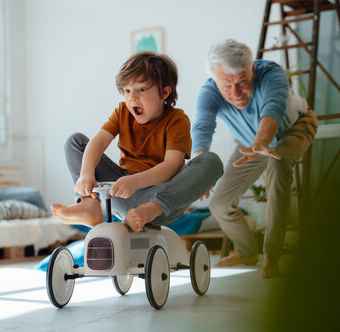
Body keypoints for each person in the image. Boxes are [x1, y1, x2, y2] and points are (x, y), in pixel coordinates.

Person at [52, 51, 223, 232]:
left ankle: (148, 212)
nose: (132, 98)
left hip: (160, 200)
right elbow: (99, 142)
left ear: (165, 92)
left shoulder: (177, 119)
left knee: (211, 161)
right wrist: (86, 174)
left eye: (141, 89)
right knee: (75, 142)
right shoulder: (122, 112)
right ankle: (88, 206)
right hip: (121, 192)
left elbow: (171, 166)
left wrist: (135, 182)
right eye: (126, 91)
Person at [191, 39, 318, 278]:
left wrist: (262, 141)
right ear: (215, 80)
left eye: (242, 81)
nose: (236, 93)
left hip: (293, 127)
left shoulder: (271, 73)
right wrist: (200, 168)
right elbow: (202, 127)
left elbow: (273, 107)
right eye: (226, 86)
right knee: (219, 203)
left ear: (252, 69)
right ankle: (248, 252)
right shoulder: (209, 92)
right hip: (249, 143)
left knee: (278, 164)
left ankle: (273, 256)